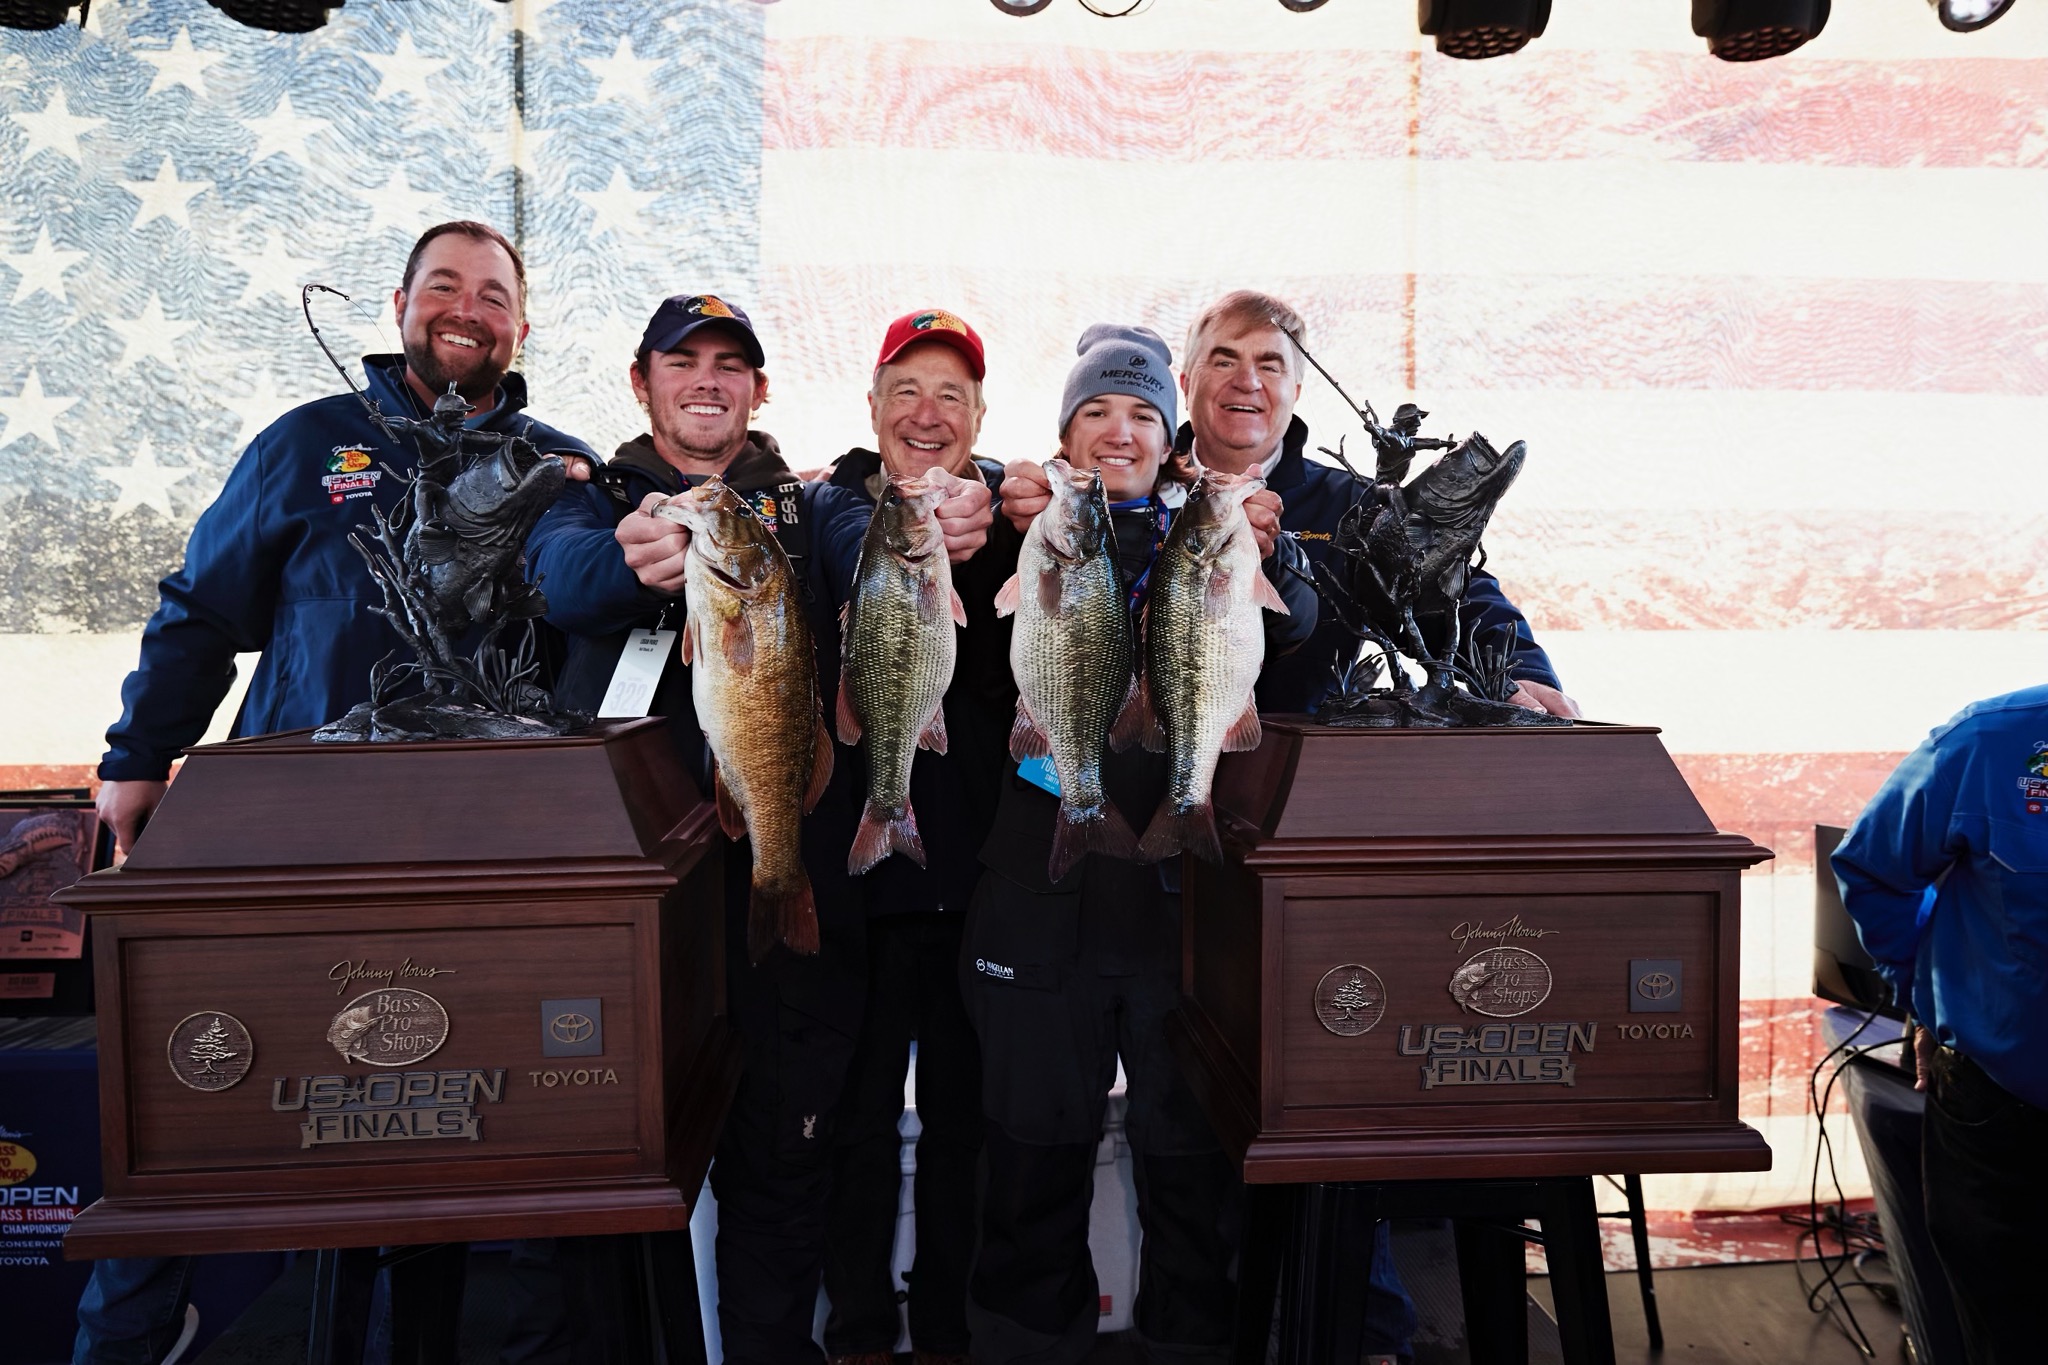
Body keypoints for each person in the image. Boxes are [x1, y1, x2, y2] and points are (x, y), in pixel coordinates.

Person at [78, 222, 595, 1365]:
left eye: (494, 293)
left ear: (522, 322)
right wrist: (133, 760)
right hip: (282, 854)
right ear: (401, 302)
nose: (467, 307)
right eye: (444, 285)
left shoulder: (560, 468)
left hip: (468, 870)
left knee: (435, 1131)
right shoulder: (306, 444)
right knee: (184, 1122)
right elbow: (203, 609)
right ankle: (128, 1344)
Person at [526, 293, 870, 1365]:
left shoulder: (807, 510)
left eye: (732, 364)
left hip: (777, 880)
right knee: (618, 1170)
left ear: (760, 390)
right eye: (684, 362)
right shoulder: (587, 497)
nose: (708, 380)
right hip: (629, 906)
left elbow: (870, 546)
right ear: (643, 382)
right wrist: (626, 562)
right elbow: (559, 577)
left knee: (780, 1164)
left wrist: (951, 504)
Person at [967, 325, 1316, 1365]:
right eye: (1095, 413)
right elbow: (926, 515)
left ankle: (1191, 1345)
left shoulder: (1211, 530)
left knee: (1188, 1160)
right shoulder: (1015, 524)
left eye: (1140, 416)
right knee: (1027, 1159)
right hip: (1034, 894)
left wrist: (1274, 547)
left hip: (1178, 899)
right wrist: (987, 493)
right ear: (1063, 433)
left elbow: (1290, 619)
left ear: (1169, 441)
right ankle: (1029, 1345)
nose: (1117, 433)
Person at [816, 310, 1015, 1365]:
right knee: (852, 1130)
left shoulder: (1018, 527)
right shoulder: (830, 510)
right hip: (860, 897)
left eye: (949, 395)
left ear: (979, 416)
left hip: (978, 892)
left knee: (962, 1135)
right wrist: (896, 523)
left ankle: (944, 1331)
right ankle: (855, 1331)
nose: (925, 414)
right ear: (873, 408)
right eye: (906, 391)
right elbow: (839, 534)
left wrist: (1005, 516)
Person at [1172, 289, 1575, 720]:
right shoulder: (1132, 496)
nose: (1247, 381)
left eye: (1270, 365)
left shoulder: (1355, 504)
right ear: (1186, 382)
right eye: (1223, 360)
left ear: (1297, 390)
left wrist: (1522, 671)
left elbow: (1451, 589)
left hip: (1309, 768)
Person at [1832, 684, 2048, 1365]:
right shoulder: (1992, 739)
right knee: (2011, 1330)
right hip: (2005, 1109)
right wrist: (1921, 995)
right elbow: (1874, 871)